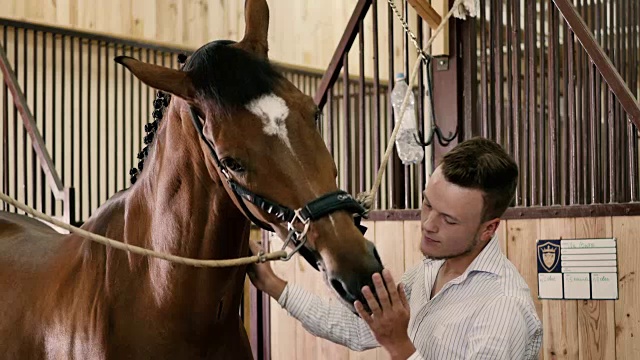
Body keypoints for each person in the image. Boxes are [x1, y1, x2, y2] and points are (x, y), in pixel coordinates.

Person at [248, 137, 543, 359]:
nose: (428, 224)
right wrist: (273, 284)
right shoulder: (428, 271)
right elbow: (357, 328)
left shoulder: (503, 308)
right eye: (427, 203)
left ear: (488, 228)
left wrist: (399, 344)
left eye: (449, 220)